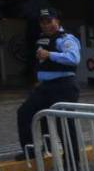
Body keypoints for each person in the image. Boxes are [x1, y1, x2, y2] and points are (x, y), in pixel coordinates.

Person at [15, 8, 81, 161]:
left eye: (49, 21)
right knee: (25, 112)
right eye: (43, 22)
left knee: (64, 123)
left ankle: (72, 161)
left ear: (57, 21)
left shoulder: (66, 39)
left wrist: (50, 54)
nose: (46, 25)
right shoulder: (42, 39)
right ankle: (31, 150)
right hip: (45, 86)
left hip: (64, 86)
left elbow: (74, 58)